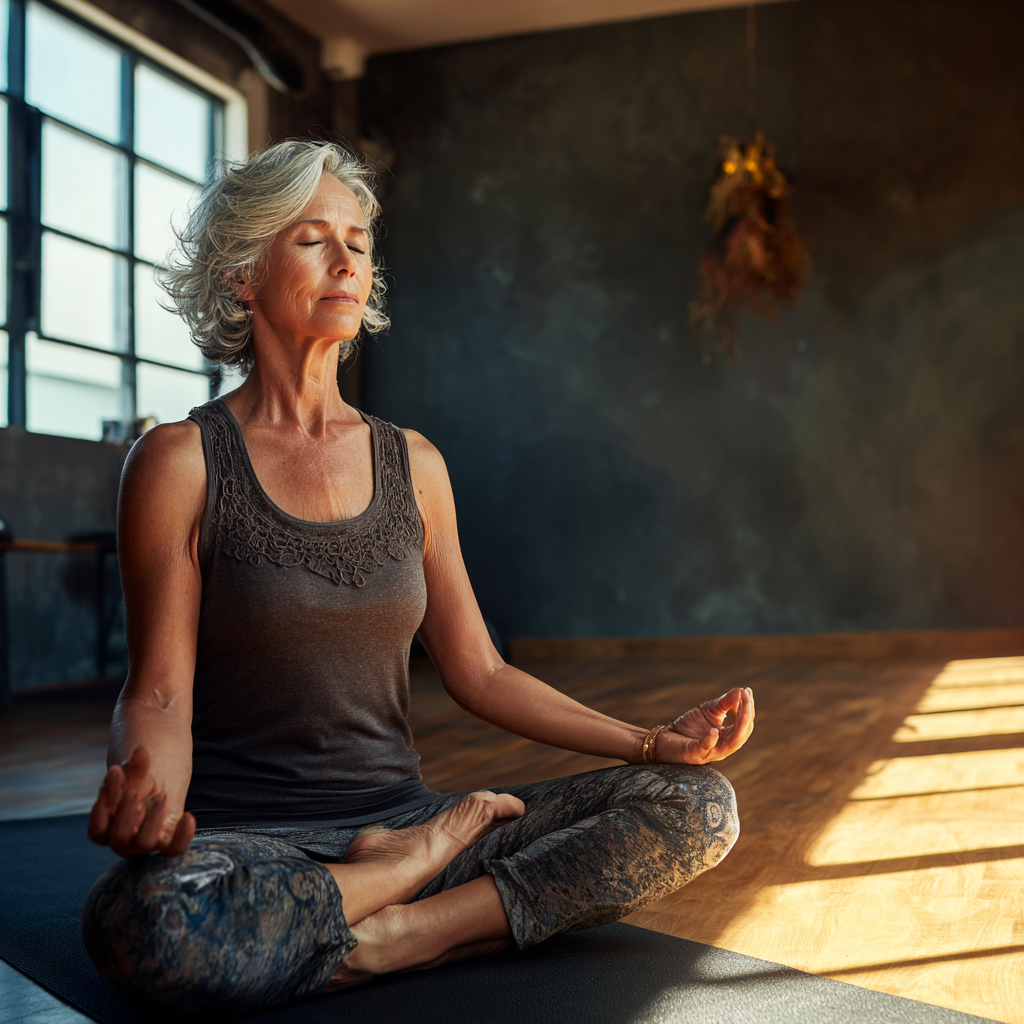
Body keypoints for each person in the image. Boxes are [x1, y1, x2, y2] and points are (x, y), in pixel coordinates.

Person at [81, 140, 755, 1012]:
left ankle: (410, 932)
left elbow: (481, 672)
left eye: (358, 243)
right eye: (313, 240)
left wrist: (649, 744)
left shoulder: (415, 465)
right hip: (254, 843)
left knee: (698, 806)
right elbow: (159, 694)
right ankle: (411, 887)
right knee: (140, 921)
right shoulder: (179, 463)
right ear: (242, 275)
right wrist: (149, 795)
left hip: (404, 817)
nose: (346, 262)